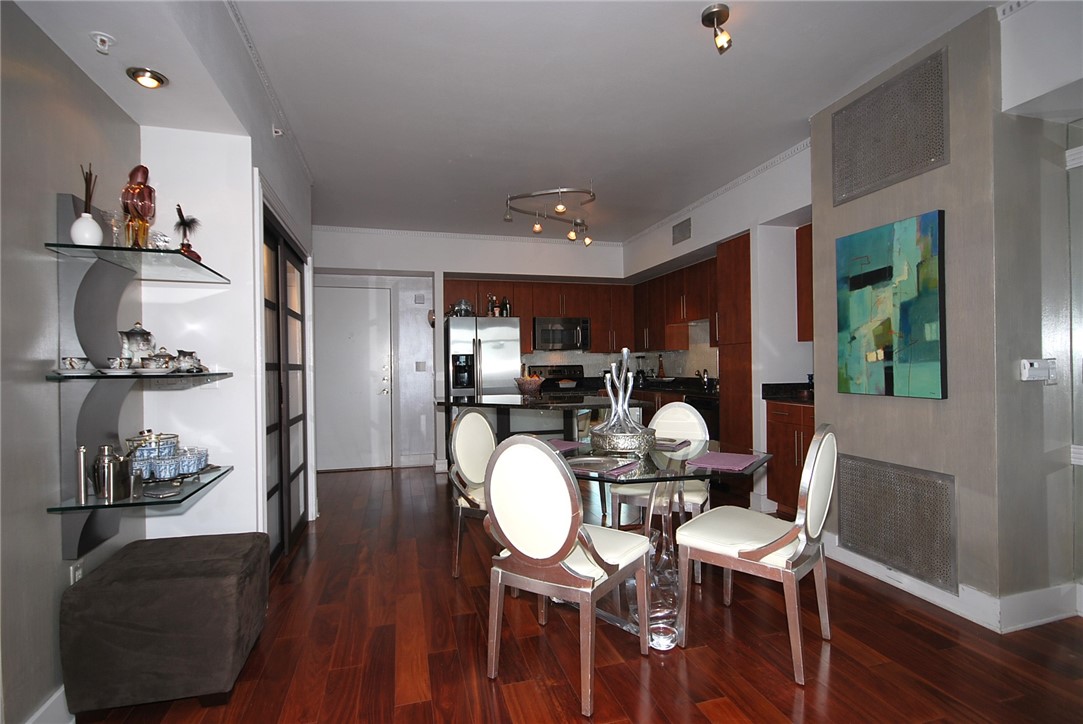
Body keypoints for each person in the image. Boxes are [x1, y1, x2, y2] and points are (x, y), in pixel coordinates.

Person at [120, 165, 155, 248]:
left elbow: (150, 213)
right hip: (133, 222)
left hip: (140, 223)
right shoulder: (128, 191)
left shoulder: (148, 190)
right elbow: (150, 213)